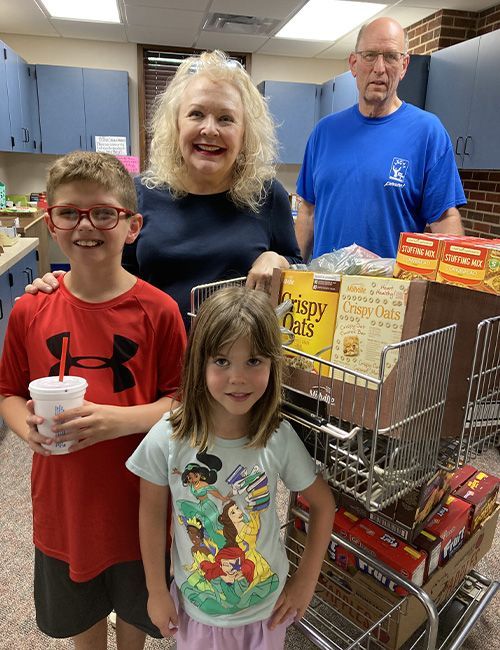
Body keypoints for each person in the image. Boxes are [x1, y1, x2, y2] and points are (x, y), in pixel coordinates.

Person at [0, 152, 187, 649]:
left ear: (132, 226)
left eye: (104, 213)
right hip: (64, 504)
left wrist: (118, 420)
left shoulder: (159, 311)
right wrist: (27, 429)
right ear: (50, 220)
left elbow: (183, 402)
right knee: (81, 618)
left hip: (139, 506)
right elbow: (9, 393)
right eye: (70, 212)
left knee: (135, 614)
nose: (87, 225)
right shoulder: (31, 311)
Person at [26, 50, 302, 328]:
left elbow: (296, 265)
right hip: (149, 353)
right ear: (176, 124)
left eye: (226, 119)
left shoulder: (267, 195)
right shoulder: (140, 194)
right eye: (196, 114)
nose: (209, 129)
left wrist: (276, 258)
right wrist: (62, 283)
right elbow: (106, 271)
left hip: (235, 363)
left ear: (245, 133)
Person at [126, 287, 335, 649]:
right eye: (222, 361)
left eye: (253, 361)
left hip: (267, 615)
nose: (238, 377)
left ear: (273, 363)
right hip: (197, 611)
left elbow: (323, 504)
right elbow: (151, 514)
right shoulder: (167, 438)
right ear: (199, 364)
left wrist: (305, 581)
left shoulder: (278, 437)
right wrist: (156, 590)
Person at [295, 17, 466, 262]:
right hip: (325, 290)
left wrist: (453, 284)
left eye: (391, 57)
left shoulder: (428, 133)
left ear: (404, 65)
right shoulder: (324, 132)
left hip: (388, 294)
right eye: (370, 55)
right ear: (354, 64)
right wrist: (290, 274)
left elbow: (444, 220)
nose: (379, 68)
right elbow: (308, 212)